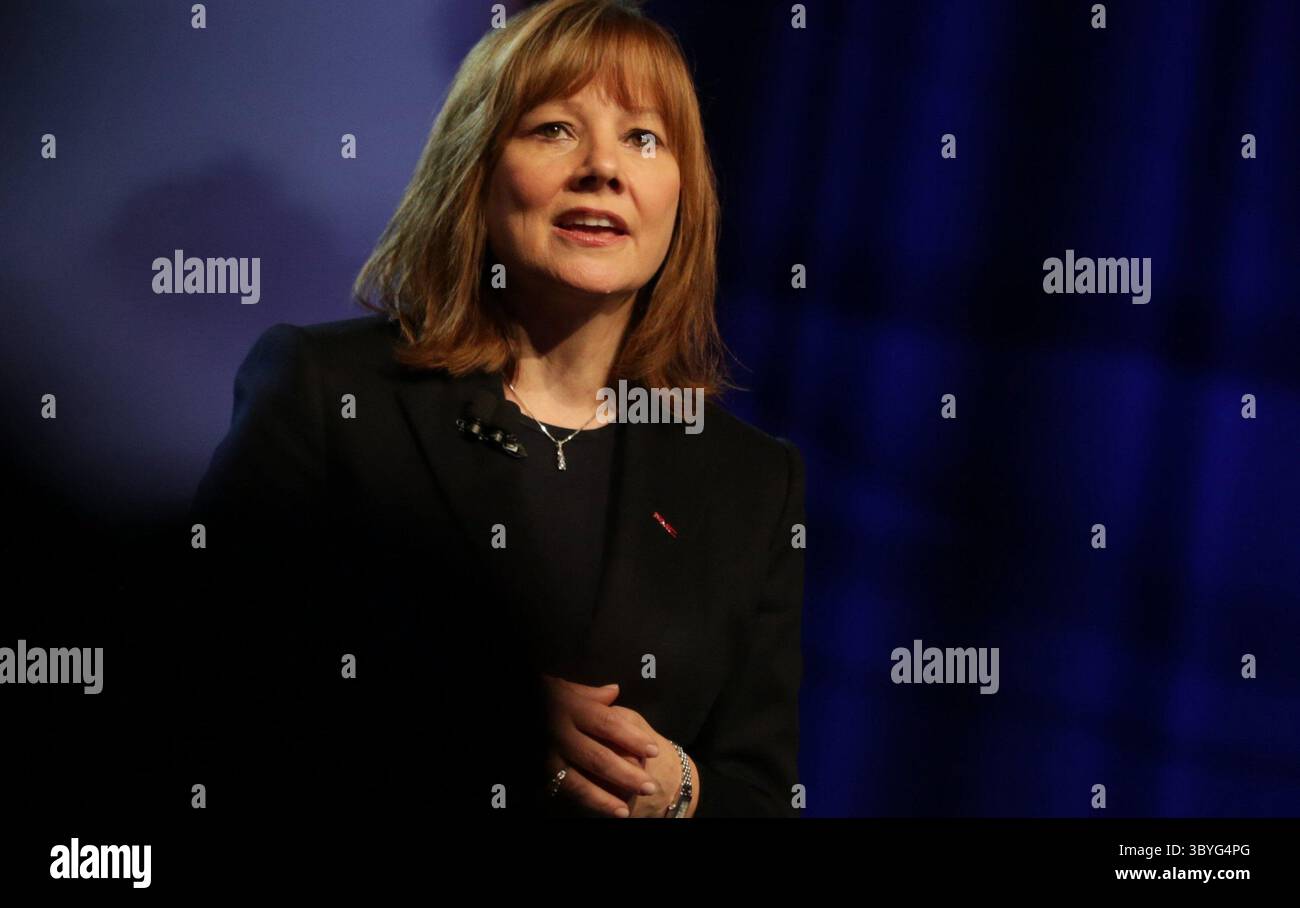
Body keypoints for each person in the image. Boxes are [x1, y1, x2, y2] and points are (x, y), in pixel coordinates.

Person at [189, 0, 804, 819]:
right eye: (555, 129)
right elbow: (205, 677)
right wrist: (476, 715)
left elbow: (760, 793)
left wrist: (681, 795)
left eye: (644, 137)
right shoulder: (325, 392)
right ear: (474, 170)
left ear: (682, 198)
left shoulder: (752, 483)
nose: (603, 168)